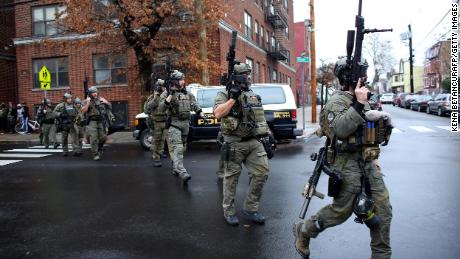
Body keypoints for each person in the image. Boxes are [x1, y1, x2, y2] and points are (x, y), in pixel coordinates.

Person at [292, 58, 393, 259]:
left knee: (383, 210)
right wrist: (359, 103)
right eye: (361, 73)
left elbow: (370, 131)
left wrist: (376, 155)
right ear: (349, 77)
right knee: (341, 211)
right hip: (345, 163)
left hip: (366, 161)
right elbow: (340, 129)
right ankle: (305, 230)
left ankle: (381, 255)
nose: (364, 77)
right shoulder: (336, 102)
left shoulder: (367, 99)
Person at [213, 63, 270, 226]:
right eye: (246, 74)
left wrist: (267, 136)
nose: (249, 77)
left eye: (249, 74)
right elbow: (218, 113)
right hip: (233, 143)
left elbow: (260, 117)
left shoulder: (252, 94)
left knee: (262, 173)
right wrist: (232, 98)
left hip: (253, 141)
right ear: (238, 77)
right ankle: (228, 212)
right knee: (231, 178)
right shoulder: (224, 93)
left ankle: (250, 208)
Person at [160, 70, 203, 183]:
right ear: (175, 81)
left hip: (185, 124)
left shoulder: (186, 92)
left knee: (183, 148)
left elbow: (193, 103)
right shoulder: (167, 93)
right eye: (180, 80)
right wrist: (170, 94)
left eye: (183, 79)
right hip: (174, 124)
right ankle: (182, 172)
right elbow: (161, 109)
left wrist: (200, 112)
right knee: (178, 149)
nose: (183, 81)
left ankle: (175, 166)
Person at [81, 87, 112, 161]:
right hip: (92, 121)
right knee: (93, 138)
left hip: (101, 120)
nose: (95, 93)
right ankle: (95, 154)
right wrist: (88, 103)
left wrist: (106, 102)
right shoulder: (86, 101)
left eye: (96, 92)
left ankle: (99, 147)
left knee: (103, 137)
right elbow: (83, 111)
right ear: (90, 93)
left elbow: (110, 107)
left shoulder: (100, 99)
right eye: (93, 92)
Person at [144, 79, 168, 167]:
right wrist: (155, 98)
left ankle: (160, 152)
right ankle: (156, 157)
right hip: (156, 122)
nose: (162, 88)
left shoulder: (166, 96)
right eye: (161, 86)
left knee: (162, 139)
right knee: (156, 140)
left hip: (165, 121)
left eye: (163, 86)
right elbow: (146, 110)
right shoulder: (152, 97)